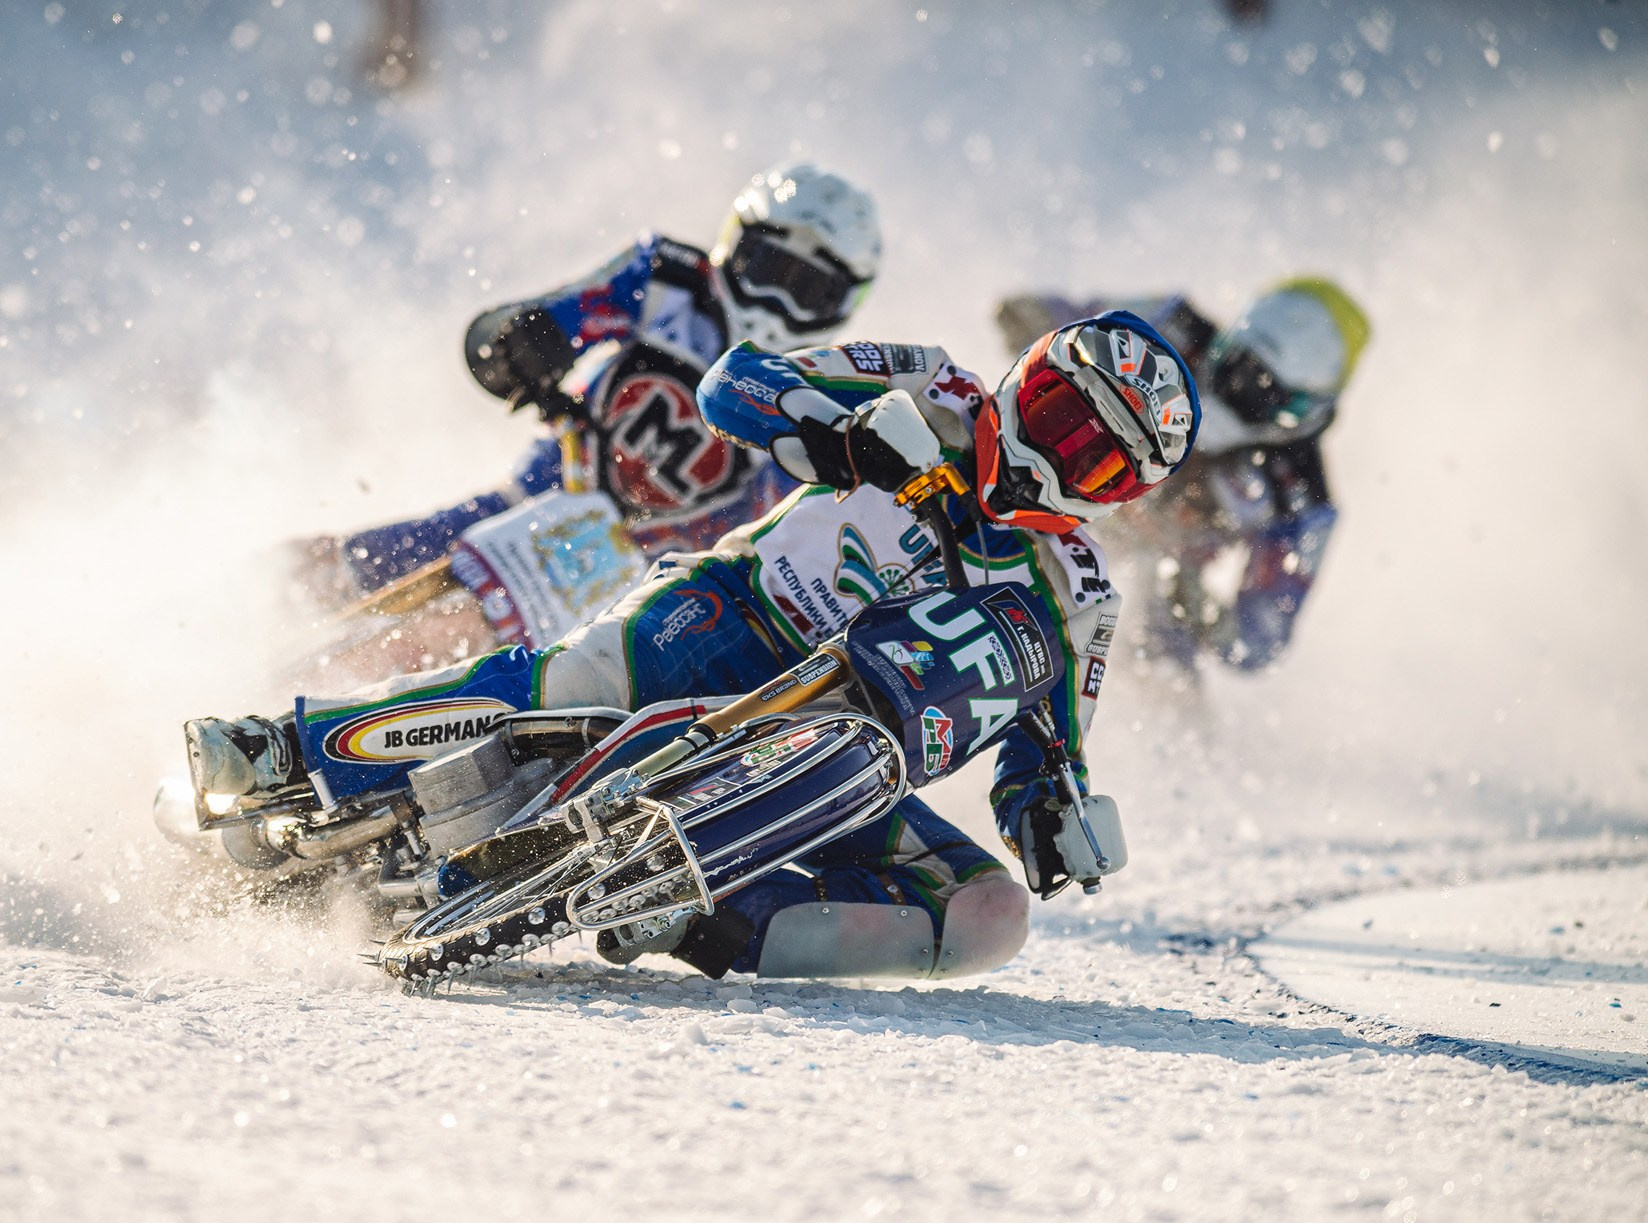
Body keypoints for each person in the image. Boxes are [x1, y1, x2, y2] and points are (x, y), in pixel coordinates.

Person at [191, 311, 1199, 981]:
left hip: (840, 752)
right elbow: (735, 381)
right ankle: (289, 744)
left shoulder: (1077, 597)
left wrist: (1054, 821)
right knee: (568, 680)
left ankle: (703, 911)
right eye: (1065, 417)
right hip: (729, 616)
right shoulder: (929, 386)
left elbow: (1044, 750)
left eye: (1097, 457)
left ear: (1120, 493)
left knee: (986, 915)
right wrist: (837, 433)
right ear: (1030, 376)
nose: (1061, 455)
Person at [290, 162, 881, 629]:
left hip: (634, 592)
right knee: (358, 562)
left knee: (448, 636)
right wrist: (526, 343)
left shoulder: (818, 399)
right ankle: (235, 602)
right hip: (534, 497)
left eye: (809, 290)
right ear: (734, 246)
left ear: (843, 304)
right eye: (769, 268)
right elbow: (508, 333)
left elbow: (780, 546)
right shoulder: (663, 280)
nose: (778, 302)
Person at [997, 279, 1369, 671]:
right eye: (1234, 366)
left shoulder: (1301, 501)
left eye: (1262, 394)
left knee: (1165, 682)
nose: (1235, 392)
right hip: (1050, 485)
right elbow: (1073, 324)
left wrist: (1205, 611)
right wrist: (1036, 326)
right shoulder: (1170, 328)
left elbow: (1259, 640)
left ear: (1304, 409)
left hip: (1149, 604)